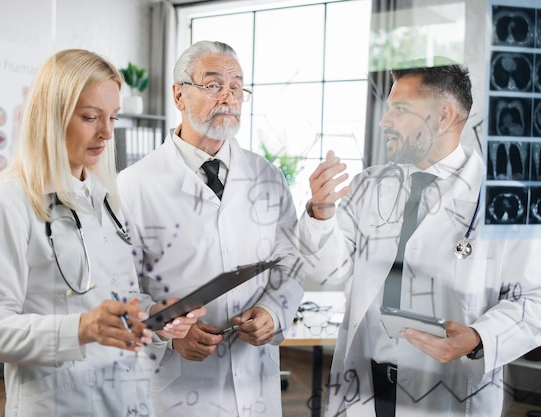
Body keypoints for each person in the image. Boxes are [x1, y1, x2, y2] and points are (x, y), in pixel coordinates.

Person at [0, 49, 202, 417]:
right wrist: (81, 329)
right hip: (59, 403)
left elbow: (119, 297)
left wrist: (155, 317)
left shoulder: (104, 196)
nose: (106, 133)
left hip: (127, 397)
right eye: (91, 117)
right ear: (50, 116)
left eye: (113, 118)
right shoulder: (5, 201)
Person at [299, 60, 541, 417]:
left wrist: (477, 337)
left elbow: (533, 301)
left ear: (442, 116)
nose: (385, 121)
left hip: (447, 392)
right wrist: (321, 213)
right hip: (366, 384)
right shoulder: (368, 184)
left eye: (400, 109)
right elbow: (328, 269)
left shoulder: (508, 199)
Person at [116, 40, 304, 417]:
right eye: (213, 84)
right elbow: (118, 288)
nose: (228, 97)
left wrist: (272, 311)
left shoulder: (266, 177)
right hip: (177, 386)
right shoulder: (132, 185)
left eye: (237, 87)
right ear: (179, 94)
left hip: (254, 377)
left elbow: (290, 261)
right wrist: (164, 331)